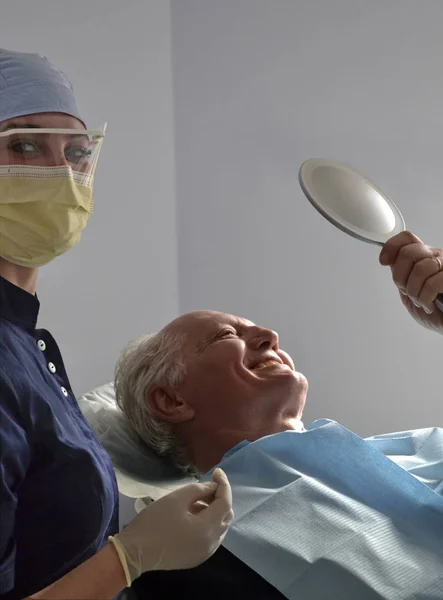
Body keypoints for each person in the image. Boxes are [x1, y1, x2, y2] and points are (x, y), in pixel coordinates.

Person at [0, 49, 233, 600]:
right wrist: (130, 559)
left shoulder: (27, 341)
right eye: (22, 145)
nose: (60, 172)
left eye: (77, 152)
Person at [114, 231, 443, 598]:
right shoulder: (182, 552)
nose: (270, 336)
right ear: (171, 401)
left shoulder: (418, 449)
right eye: (225, 336)